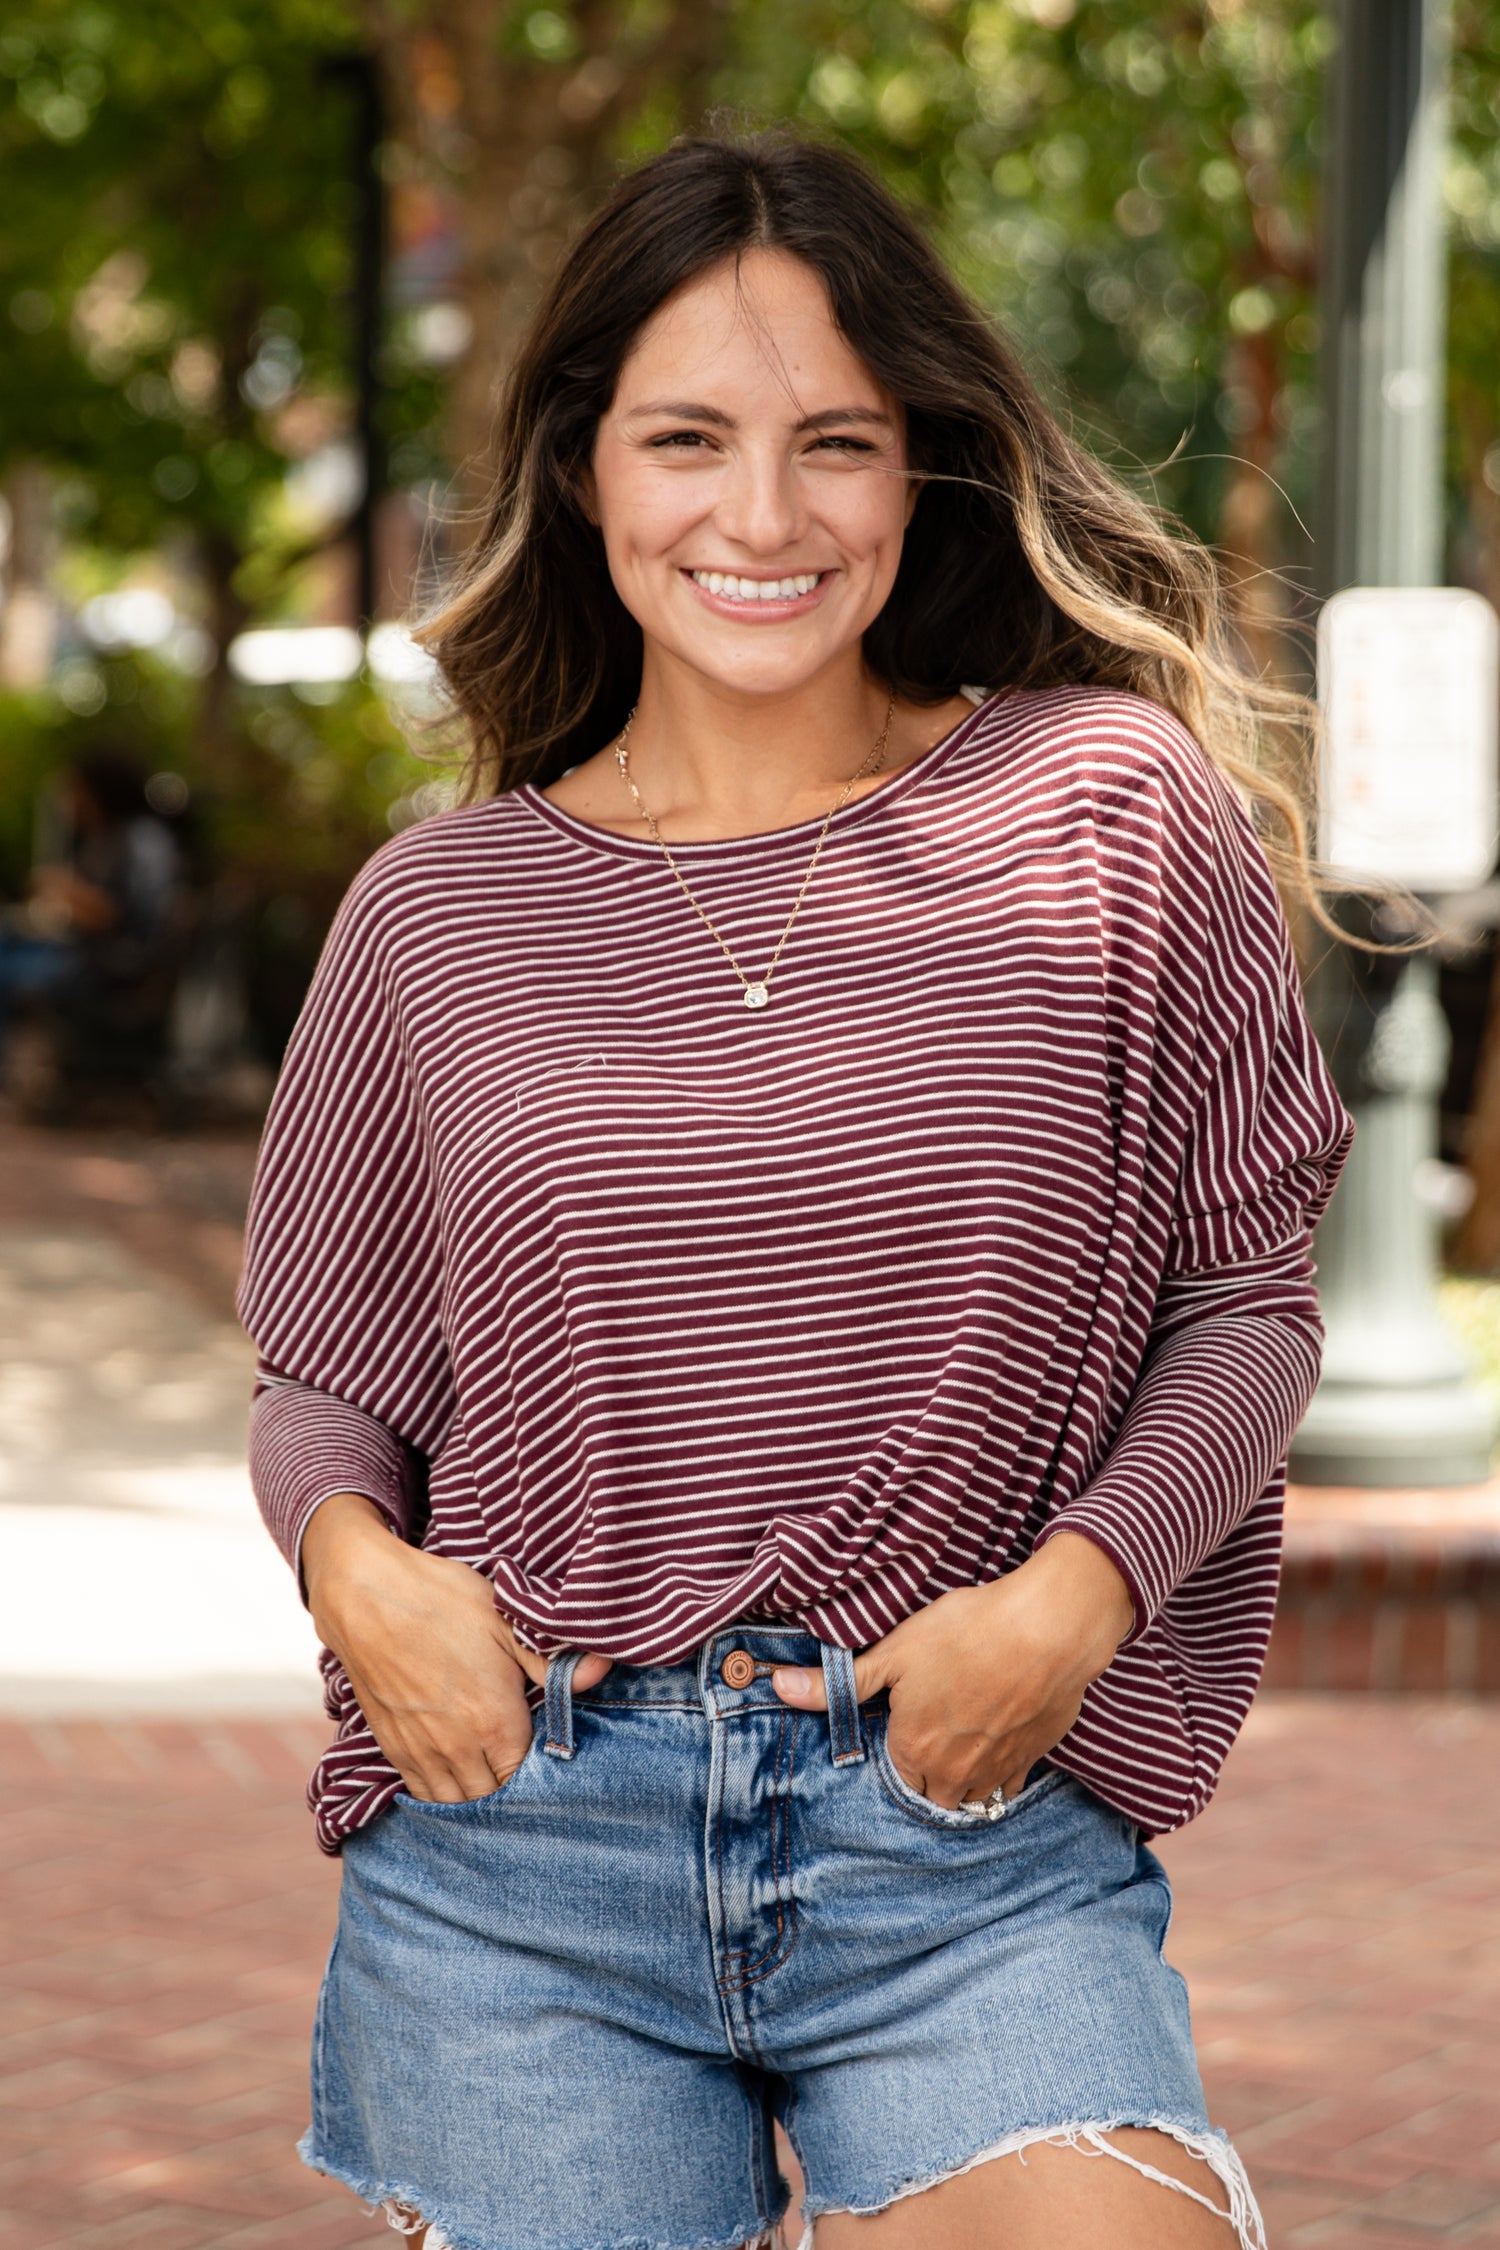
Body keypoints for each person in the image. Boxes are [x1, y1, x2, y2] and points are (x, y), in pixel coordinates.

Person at [238, 133, 1351, 2250]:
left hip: (965, 1827)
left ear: (919, 464)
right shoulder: (438, 912)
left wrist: (1075, 1600)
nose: (761, 517)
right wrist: (361, 1582)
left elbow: (1247, 1301)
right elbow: (327, 1382)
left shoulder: (1107, 812)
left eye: (832, 441)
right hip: (524, 1853)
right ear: (585, 473)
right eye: (688, 439)